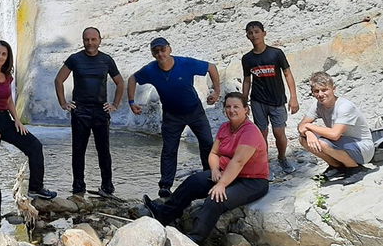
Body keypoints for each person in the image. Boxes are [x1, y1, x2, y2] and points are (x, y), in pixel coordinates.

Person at [143, 92, 269, 244]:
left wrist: (221, 184)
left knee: (215, 198)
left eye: (236, 107)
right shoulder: (225, 127)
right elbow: (214, 153)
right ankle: (164, 214)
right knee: (193, 182)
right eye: (228, 107)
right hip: (225, 172)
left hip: (251, 181)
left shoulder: (250, 132)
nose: (232, 110)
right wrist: (215, 170)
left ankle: (194, 239)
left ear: (246, 110)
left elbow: (238, 162)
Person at [128, 37, 219, 198]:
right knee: (169, 150)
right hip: (172, 116)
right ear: (152, 53)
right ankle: (165, 186)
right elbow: (132, 79)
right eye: (156, 51)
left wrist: (216, 91)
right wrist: (131, 101)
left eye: (163, 50)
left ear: (169, 49)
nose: (160, 54)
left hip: (195, 111)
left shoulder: (185, 63)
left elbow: (211, 67)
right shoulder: (150, 70)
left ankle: (210, 176)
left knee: (207, 143)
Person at [0, 40, 56, 218]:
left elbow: (8, 100)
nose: (0, 57)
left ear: (7, 56)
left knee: (34, 146)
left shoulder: (7, 76)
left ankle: (36, 188)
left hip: (5, 119)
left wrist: (17, 120)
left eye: (4, 54)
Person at [54, 27, 124, 197]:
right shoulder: (75, 59)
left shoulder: (106, 60)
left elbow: (120, 83)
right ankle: (78, 187)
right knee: (78, 150)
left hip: (100, 110)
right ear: (83, 40)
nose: (90, 43)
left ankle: (107, 187)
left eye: (93, 39)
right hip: (80, 111)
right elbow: (59, 79)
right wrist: (63, 102)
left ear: (100, 40)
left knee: (103, 150)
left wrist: (115, 104)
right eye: (87, 40)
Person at [241, 21, 299, 175]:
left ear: (264, 33)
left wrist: (294, 97)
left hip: (277, 100)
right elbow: (247, 80)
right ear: (247, 36)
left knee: (279, 133)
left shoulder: (276, 53)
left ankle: (282, 158)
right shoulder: (247, 59)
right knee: (262, 134)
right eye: (250, 33)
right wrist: (243, 103)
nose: (254, 35)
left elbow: (287, 74)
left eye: (257, 32)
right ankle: (264, 164)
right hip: (257, 101)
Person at [298, 72, 374, 178]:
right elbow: (301, 126)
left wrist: (309, 126)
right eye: (316, 91)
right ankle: (337, 166)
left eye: (324, 90)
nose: (320, 94)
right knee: (303, 139)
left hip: (363, 149)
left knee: (322, 143)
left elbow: (334, 135)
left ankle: (355, 168)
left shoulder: (344, 106)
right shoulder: (318, 105)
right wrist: (308, 133)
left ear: (333, 89)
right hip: (343, 143)